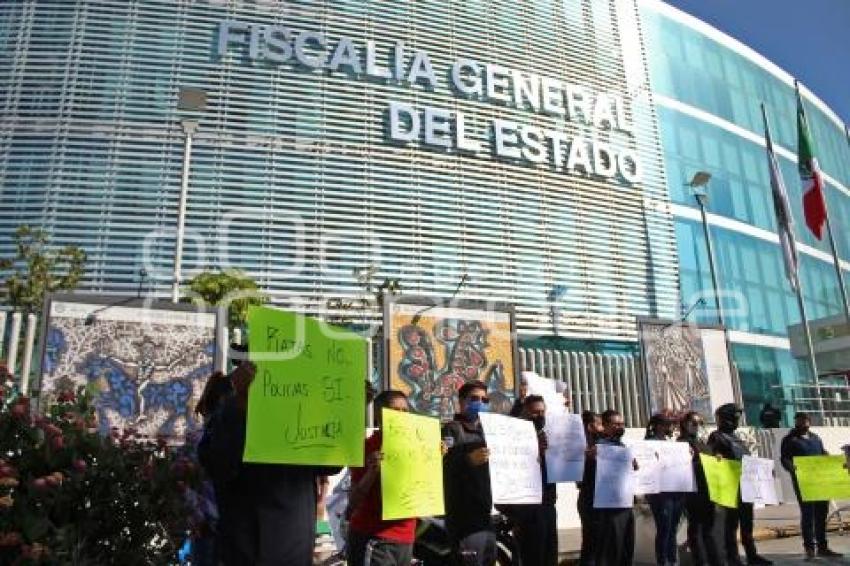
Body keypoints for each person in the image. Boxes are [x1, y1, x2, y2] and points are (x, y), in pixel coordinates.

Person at [198, 362, 341, 565]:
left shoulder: (300, 423)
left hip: (295, 549)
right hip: (246, 550)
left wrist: (346, 413)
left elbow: (331, 466)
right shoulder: (232, 412)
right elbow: (219, 465)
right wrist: (239, 403)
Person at [346, 390, 416, 566]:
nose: (401, 415)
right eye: (395, 410)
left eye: (405, 411)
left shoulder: (418, 447)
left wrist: (438, 457)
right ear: (379, 415)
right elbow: (353, 502)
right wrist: (372, 472)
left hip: (406, 538)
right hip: (375, 539)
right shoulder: (366, 447)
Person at [706, 403, 771, 566]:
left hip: (746, 486)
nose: (736, 421)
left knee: (747, 523)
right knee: (731, 525)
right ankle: (733, 558)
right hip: (731, 487)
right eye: (734, 417)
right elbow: (714, 459)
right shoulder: (717, 437)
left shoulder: (737, 438)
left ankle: (752, 555)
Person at [499, 395, 558, 566]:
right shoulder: (514, 439)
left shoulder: (546, 436)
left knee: (549, 556)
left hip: (548, 506)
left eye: (542, 412)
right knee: (532, 557)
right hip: (527, 511)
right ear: (525, 413)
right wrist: (533, 450)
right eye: (534, 412)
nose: (539, 416)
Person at [442, 380, 496, 565]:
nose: (480, 402)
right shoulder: (451, 429)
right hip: (464, 518)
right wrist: (467, 460)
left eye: (484, 399)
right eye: (474, 398)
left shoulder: (489, 432)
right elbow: (442, 466)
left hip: (486, 516)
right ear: (461, 401)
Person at [780, 412, 843, 560]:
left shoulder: (816, 438)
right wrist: (791, 467)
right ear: (796, 422)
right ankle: (809, 548)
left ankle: (823, 547)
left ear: (809, 422)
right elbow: (784, 458)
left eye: (806, 420)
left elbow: (822, 453)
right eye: (800, 420)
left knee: (821, 514)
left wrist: (828, 457)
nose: (803, 423)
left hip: (820, 482)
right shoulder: (790, 440)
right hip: (804, 482)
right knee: (808, 515)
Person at [591, 409, 637, 565]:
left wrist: (632, 465)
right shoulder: (598, 446)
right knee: (611, 549)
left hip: (625, 505)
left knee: (626, 546)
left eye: (622, 424)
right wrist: (592, 458)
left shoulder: (623, 447)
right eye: (616, 424)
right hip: (609, 510)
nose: (620, 427)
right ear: (605, 426)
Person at [678, 411, 723, 566]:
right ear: (685, 424)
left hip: (708, 490)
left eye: (700, 423)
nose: (697, 426)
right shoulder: (682, 442)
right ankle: (700, 560)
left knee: (709, 529)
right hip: (694, 491)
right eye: (694, 423)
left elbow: (709, 461)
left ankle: (714, 560)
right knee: (696, 528)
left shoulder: (702, 443)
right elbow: (682, 466)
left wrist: (716, 459)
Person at [645, 412, 684, 566]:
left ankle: (672, 559)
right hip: (660, 494)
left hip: (675, 490)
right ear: (658, 426)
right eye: (667, 424)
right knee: (664, 528)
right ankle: (663, 561)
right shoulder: (650, 442)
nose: (671, 427)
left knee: (673, 528)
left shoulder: (669, 441)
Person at [577, 411, 603, 566]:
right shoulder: (583, 447)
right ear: (590, 426)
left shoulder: (602, 443)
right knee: (591, 542)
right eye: (599, 424)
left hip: (600, 499)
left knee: (598, 541)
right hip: (589, 498)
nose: (602, 427)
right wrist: (587, 458)